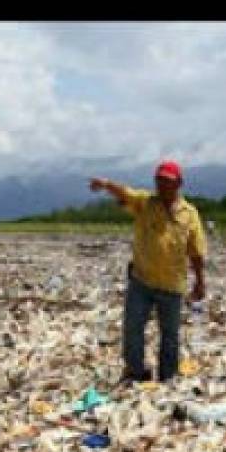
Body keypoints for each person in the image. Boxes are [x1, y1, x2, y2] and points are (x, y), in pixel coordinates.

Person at [89, 161, 207, 383]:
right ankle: (136, 372)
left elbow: (197, 252)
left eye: (168, 182)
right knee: (132, 328)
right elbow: (124, 192)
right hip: (141, 281)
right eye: (159, 181)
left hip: (172, 285)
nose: (163, 186)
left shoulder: (189, 214)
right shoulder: (145, 203)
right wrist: (105, 185)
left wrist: (200, 282)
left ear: (179, 183)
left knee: (170, 336)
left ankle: (167, 377)